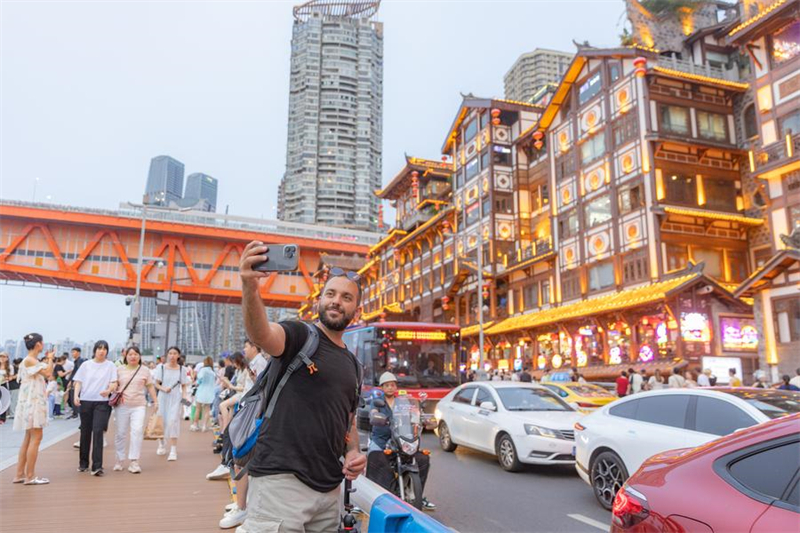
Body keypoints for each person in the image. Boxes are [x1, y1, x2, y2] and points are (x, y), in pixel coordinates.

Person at [237, 243, 366, 533]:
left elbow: (348, 420)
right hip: (280, 485)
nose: (336, 301)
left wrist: (354, 452)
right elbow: (261, 333)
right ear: (320, 300)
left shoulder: (355, 366)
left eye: (347, 298)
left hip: (330, 491)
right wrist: (249, 285)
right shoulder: (299, 336)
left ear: (356, 309)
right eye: (330, 294)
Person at [366, 372, 435, 510]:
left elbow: (414, 414)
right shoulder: (377, 402)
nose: (390, 388)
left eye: (392, 385)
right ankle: (372, 497)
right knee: (375, 458)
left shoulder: (403, 402)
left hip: (401, 439)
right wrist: (375, 415)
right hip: (381, 440)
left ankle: (418, 495)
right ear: (382, 387)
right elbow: (372, 413)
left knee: (422, 459)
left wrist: (423, 419)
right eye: (387, 385)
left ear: (396, 387)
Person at [12, 333, 54, 485]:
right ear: (38, 345)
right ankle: (30, 476)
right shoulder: (30, 360)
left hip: (30, 402)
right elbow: (49, 373)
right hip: (33, 403)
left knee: (28, 438)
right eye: (42, 343)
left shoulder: (30, 360)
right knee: (36, 438)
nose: (43, 345)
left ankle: (19, 475)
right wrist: (50, 358)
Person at [72, 340, 117, 476]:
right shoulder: (86, 365)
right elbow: (78, 382)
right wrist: (76, 396)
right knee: (85, 432)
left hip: (102, 402)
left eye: (104, 349)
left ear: (107, 352)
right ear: (95, 350)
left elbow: (114, 383)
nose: (102, 351)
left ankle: (97, 466)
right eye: (99, 348)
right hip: (85, 401)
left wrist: (108, 390)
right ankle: (83, 463)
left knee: (98, 431)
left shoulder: (110, 366)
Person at [113, 345, 158, 474]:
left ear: (139, 356)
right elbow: (114, 385)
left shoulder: (144, 370)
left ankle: (134, 461)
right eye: (130, 354)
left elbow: (150, 387)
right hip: (122, 405)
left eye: (135, 354)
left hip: (139, 405)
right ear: (126, 356)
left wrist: (156, 401)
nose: (133, 356)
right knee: (120, 432)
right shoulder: (119, 369)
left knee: (137, 431)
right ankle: (119, 459)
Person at [153, 346, 190, 461]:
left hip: (175, 399)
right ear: (167, 355)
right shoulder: (161, 368)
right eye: (170, 353)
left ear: (178, 355)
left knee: (173, 421)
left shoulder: (182, 370)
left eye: (175, 353)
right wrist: (164, 389)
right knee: (162, 422)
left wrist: (185, 398)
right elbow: (156, 384)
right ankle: (162, 444)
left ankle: (173, 450)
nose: (172, 356)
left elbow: (184, 385)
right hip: (163, 397)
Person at [190, 356, 215, 432]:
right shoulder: (212, 372)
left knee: (198, 409)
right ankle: (204, 426)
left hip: (201, 391)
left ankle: (195, 425)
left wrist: (196, 383)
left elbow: (199, 380)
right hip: (210, 392)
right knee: (207, 410)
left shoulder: (203, 370)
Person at [66, 347, 86, 418]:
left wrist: (76, 381)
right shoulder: (76, 361)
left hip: (76, 382)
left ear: (78, 352)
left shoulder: (80, 361)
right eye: (72, 352)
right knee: (72, 397)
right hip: (73, 381)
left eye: (74, 352)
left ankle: (76, 413)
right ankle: (75, 412)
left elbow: (79, 372)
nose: (72, 354)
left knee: (74, 396)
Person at [0, 351, 11, 424]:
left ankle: (2, 417)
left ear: (7, 358)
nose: (2, 358)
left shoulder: (9, 367)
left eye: (4, 356)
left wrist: (6, 378)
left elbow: (11, 377)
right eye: (1, 356)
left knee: (4, 401)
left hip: (4, 385)